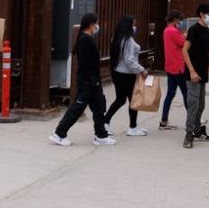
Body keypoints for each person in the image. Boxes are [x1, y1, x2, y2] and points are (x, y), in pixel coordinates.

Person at [50, 13, 116, 147]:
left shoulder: (86, 38)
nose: (98, 26)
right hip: (88, 81)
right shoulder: (86, 40)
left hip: (92, 81)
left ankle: (101, 135)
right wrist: (93, 80)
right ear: (91, 25)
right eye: (97, 23)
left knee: (98, 106)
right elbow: (86, 64)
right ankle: (59, 133)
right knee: (77, 107)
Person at [182, 2, 209, 149]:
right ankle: (188, 134)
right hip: (193, 74)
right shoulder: (194, 30)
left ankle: (197, 130)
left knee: (201, 104)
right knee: (193, 104)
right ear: (201, 14)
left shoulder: (206, 31)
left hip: (203, 74)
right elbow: (184, 50)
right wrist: (191, 70)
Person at [103, 15, 150, 136]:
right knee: (133, 101)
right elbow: (129, 60)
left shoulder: (116, 38)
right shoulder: (128, 40)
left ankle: (105, 121)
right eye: (133, 25)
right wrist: (141, 70)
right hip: (127, 75)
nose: (135, 27)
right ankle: (132, 128)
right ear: (128, 26)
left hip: (117, 72)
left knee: (120, 99)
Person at [159, 9, 187, 130]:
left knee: (170, 94)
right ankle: (193, 118)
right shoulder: (174, 32)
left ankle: (164, 120)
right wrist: (186, 34)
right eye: (180, 20)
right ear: (176, 20)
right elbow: (184, 43)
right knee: (186, 93)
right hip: (179, 66)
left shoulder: (166, 30)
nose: (181, 22)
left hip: (170, 66)